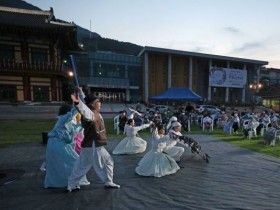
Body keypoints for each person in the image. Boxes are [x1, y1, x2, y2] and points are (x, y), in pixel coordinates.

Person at [67, 94, 120, 192]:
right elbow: (85, 111)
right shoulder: (91, 114)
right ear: (92, 104)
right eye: (98, 102)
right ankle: (108, 182)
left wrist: (82, 96)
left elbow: (85, 107)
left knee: (81, 166)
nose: (100, 103)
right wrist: (79, 103)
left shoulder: (95, 113)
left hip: (88, 145)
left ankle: (71, 184)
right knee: (107, 162)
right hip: (94, 145)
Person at [44, 104, 89, 188]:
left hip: (60, 144)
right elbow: (73, 112)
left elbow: (76, 128)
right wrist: (81, 102)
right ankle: (72, 182)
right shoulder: (63, 119)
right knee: (73, 161)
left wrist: (83, 123)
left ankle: (70, 181)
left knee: (69, 162)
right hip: (57, 144)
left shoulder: (68, 121)